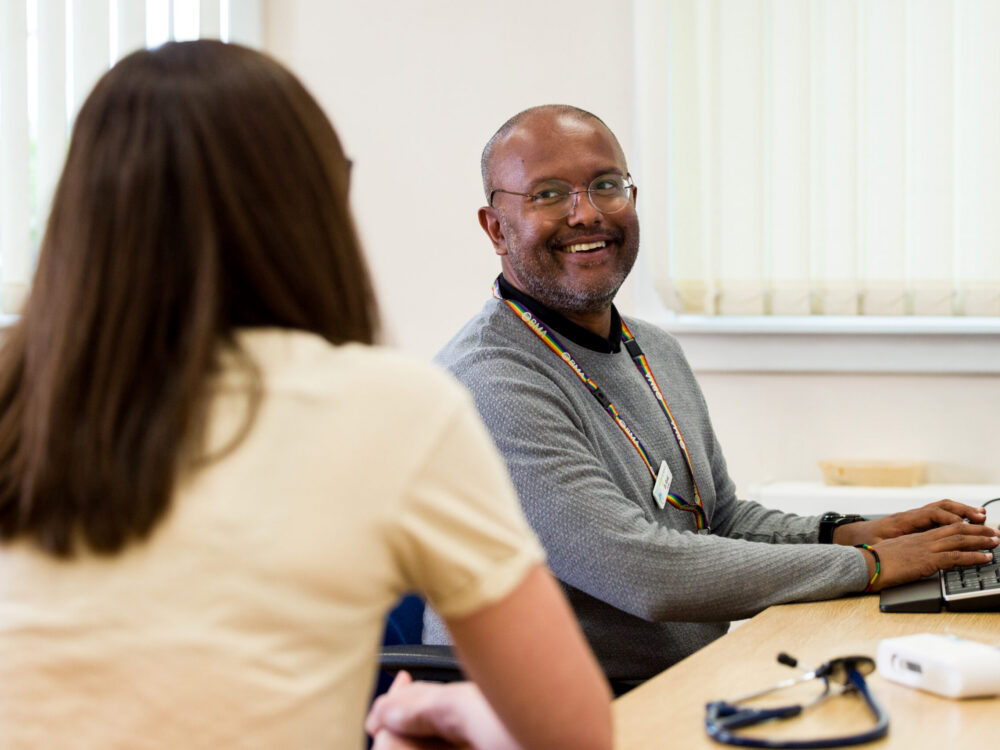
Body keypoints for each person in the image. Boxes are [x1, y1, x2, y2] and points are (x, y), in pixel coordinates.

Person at [0, 46, 612, 750]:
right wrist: (453, 718)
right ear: (308, 206)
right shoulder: (394, 409)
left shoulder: (19, 403)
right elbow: (574, 734)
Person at [423, 104, 999, 692]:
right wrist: (872, 568)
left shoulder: (652, 350)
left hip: (686, 680)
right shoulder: (489, 381)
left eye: (606, 185)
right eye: (548, 194)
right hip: (547, 711)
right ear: (496, 228)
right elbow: (645, 571)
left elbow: (718, 518)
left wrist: (852, 533)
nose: (587, 213)